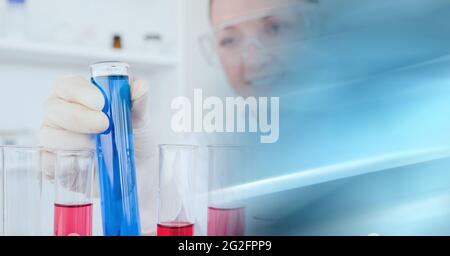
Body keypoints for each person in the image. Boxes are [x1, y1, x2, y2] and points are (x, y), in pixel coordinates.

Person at [39, 0, 318, 235]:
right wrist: (146, 193)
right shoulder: (203, 150)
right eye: (229, 39)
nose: (253, 58)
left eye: (275, 28)